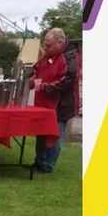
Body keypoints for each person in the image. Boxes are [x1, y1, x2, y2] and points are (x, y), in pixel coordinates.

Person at [30, 27, 80, 174]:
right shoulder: (47, 56)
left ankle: (47, 165)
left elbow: (69, 79)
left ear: (60, 42)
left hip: (60, 105)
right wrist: (30, 82)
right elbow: (38, 72)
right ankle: (39, 161)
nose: (45, 48)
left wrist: (47, 87)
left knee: (55, 135)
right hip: (43, 104)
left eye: (48, 45)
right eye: (45, 44)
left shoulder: (70, 56)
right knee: (41, 133)